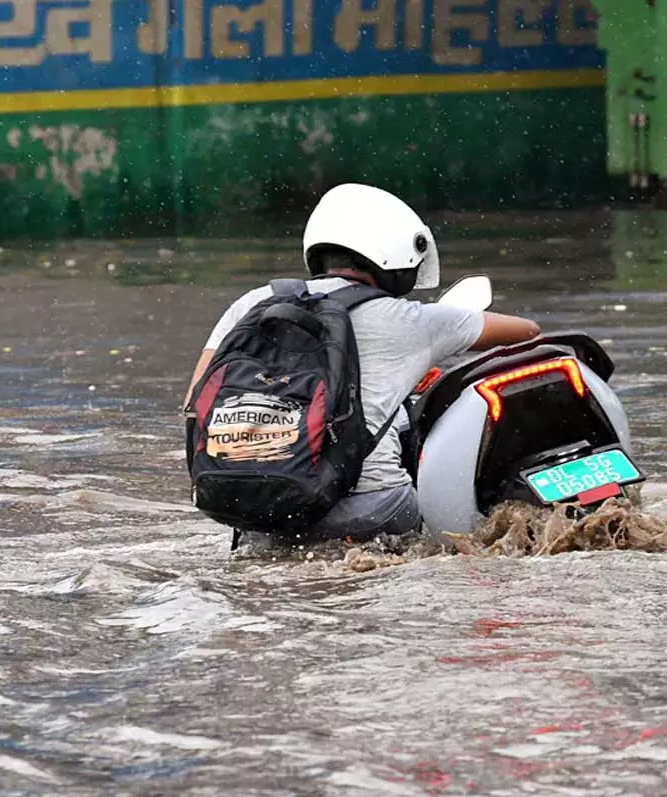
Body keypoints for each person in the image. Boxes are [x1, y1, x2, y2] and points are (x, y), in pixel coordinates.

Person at [184, 182, 541, 542]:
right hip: (374, 508)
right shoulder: (410, 319)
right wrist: (449, 319)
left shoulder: (251, 305)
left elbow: (194, 403)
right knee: (449, 521)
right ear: (397, 254)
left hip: (258, 515)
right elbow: (526, 330)